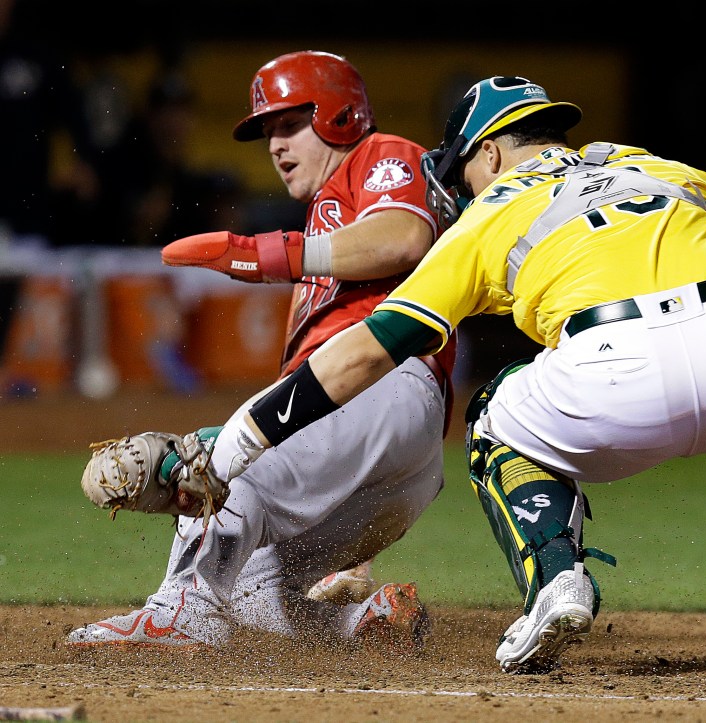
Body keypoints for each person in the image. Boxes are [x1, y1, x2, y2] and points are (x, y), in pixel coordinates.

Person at [136, 76, 706, 675]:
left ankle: (556, 586)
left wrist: (232, 439)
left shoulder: (489, 213)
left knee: (496, 413)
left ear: (496, 151)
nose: (460, 182)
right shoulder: (656, 165)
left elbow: (366, 349)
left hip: (608, 368)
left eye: (462, 165)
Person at [67, 51, 456, 648]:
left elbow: (404, 237)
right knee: (249, 582)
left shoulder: (381, 156)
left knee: (232, 466)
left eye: (288, 124)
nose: (274, 145)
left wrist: (267, 254)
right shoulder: (329, 215)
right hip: (403, 460)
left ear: (341, 115)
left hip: (386, 386)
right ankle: (363, 625)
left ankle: (178, 611)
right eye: (267, 132)